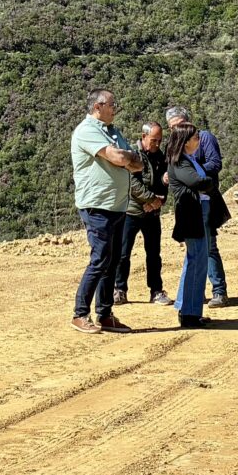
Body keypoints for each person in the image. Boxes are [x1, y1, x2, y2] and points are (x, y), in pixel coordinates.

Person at [70, 87, 143, 334]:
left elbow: (137, 164)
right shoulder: (87, 131)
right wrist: (125, 157)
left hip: (117, 205)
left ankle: (105, 314)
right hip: (97, 205)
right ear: (97, 107)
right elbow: (119, 158)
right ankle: (80, 314)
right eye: (112, 104)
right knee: (100, 258)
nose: (115, 108)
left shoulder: (113, 131)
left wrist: (126, 156)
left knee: (111, 261)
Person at [166, 120, 229, 328]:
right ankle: (189, 314)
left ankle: (189, 310)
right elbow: (198, 182)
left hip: (198, 212)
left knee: (196, 261)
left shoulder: (187, 159)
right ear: (185, 142)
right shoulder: (180, 162)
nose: (198, 141)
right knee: (196, 262)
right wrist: (209, 184)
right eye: (195, 138)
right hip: (192, 215)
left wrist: (206, 186)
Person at [118, 121, 168, 306]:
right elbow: (132, 183)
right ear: (143, 137)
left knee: (154, 254)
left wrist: (158, 202)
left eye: (159, 141)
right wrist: (151, 200)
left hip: (152, 214)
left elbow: (165, 182)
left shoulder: (160, 157)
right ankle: (119, 290)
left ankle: (156, 291)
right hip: (131, 212)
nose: (157, 144)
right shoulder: (132, 155)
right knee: (123, 253)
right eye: (154, 140)